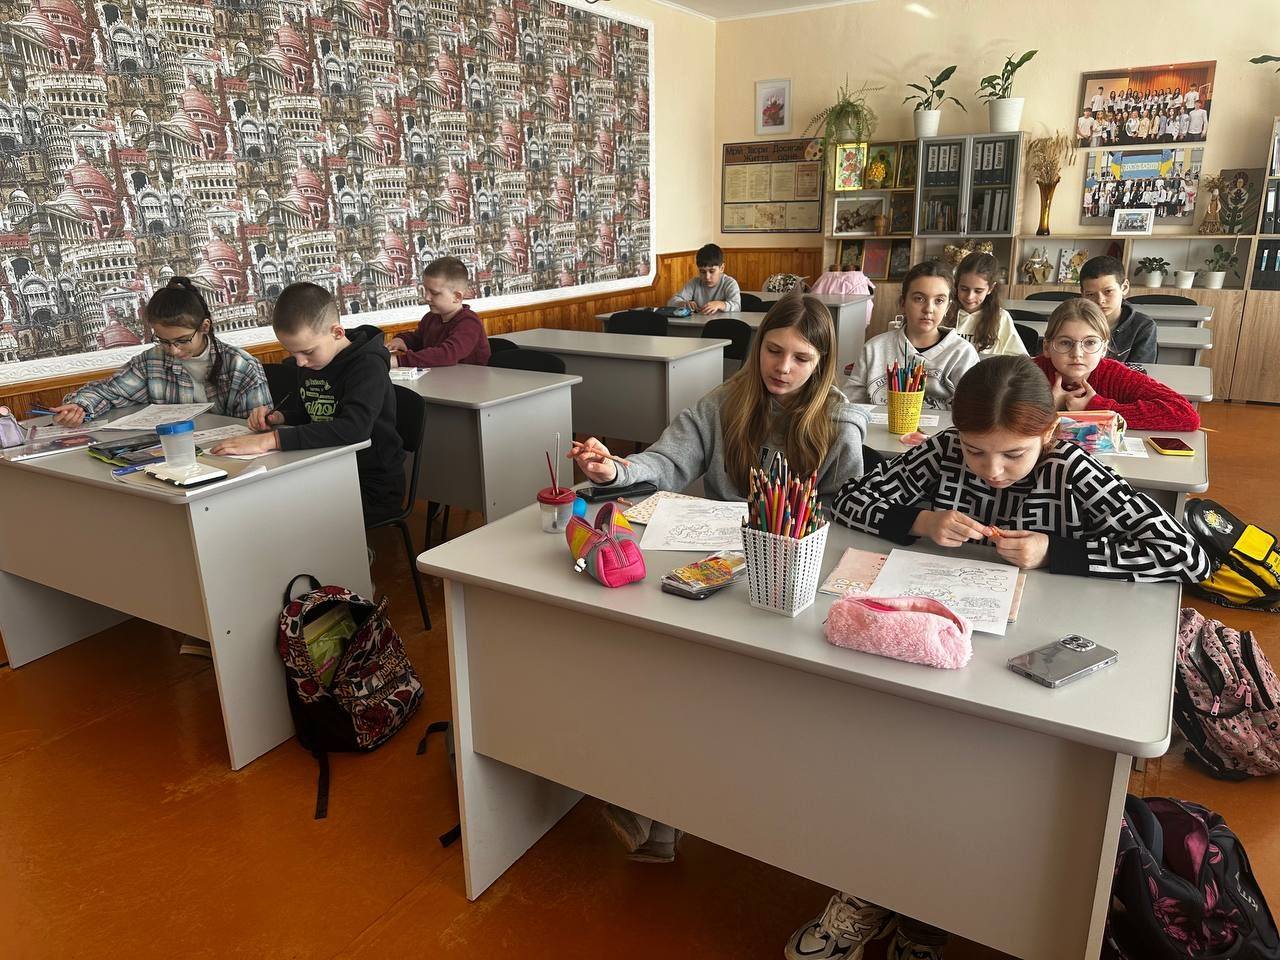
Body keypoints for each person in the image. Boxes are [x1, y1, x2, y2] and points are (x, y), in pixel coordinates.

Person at [789, 356, 1210, 960]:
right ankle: (882, 881)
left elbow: (1187, 555)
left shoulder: (1070, 469)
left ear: (1047, 433)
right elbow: (848, 500)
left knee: (976, 781)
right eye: (976, 451)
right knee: (892, 753)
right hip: (934, 651)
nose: (991, 471)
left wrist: (1055, 552)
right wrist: (922, 519)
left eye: (1014, 455)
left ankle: (934, 903)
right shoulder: (940, 453)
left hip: (1027, 667)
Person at [571, 292, 867, 863]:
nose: (783, 368)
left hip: (792, 584)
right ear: (757, 348)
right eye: (773, 351)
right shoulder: (724, 402)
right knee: (669, 672)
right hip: (717, 571)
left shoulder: (838, 423)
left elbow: (848, 517)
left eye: (801, 358)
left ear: (823, 363)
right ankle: (658, 809)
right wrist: (615, 471)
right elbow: (667, 462)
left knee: (732, 700)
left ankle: (679, 808)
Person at [211, 282, 405, 525]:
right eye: (292, 353)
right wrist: (280, 418)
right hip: (326, 469)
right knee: (266, 508)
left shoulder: (368, 366)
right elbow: (310, 415)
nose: (300, 362)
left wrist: (270, 440)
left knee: (290, 518)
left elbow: (355, 429)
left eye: (307, 352)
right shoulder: (313, 363)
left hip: (371, 483)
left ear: (337, 333)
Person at [50, 277, 270, 425]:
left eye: (182, 340)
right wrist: (79, 407)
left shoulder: (241, 366)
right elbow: (107, 392)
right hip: (170, 457)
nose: (173, 350)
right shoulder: (152, 361)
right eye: (163, 341)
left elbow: (260, 427)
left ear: (204, 327)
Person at [1034, 298, 1200, 431]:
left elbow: (1186, 414)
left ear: (1103, 349)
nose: (1077, 353)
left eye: (1090, 342)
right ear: (1047, 347)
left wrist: (1096, 408)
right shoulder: (1031, 373)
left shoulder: (1115, 375)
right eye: (1065, 342)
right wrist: (1048, 408)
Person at [847, 261, 979, 409]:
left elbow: (972, 412)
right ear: (903, 303)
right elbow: (851, 406)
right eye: (919, 299)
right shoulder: (874, 349)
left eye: (939, 301)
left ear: (948, 307)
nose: (929, 309)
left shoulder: (962, 354)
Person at [387, 256, 490, 368]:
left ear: (457, 297)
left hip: (471, 378)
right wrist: (402, 340)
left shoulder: (469, 323)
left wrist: (399, 361)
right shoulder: (430, 318)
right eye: (426, 290)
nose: (427, 297)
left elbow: (447, 354)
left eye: (434, 293)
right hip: (439, 376)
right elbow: (418, 339)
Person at [1077, 255, 1158, 363]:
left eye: (1108, 291)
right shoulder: (1072, 322)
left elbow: (1140, 370)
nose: (1100, 300)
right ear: (1082, 293)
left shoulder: (1143, 326)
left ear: (1124, 287)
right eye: (1091, 294)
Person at [945, 251, 1026, 358]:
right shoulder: (945, 312)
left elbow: (1021, 359)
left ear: (991, 288)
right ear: (956, 285)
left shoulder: (1001, 317)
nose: (970, 297)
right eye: (964, 289)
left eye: (978, 291)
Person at [668, 243, 741, 315]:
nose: (707, 277)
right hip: (699, 321)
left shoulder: (730, 283)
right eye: (702, 272)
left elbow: (737, 307)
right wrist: (683, 303)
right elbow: (671, 302)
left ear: (722, 268)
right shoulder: (694, 283)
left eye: (712, 271)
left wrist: (720, 304)